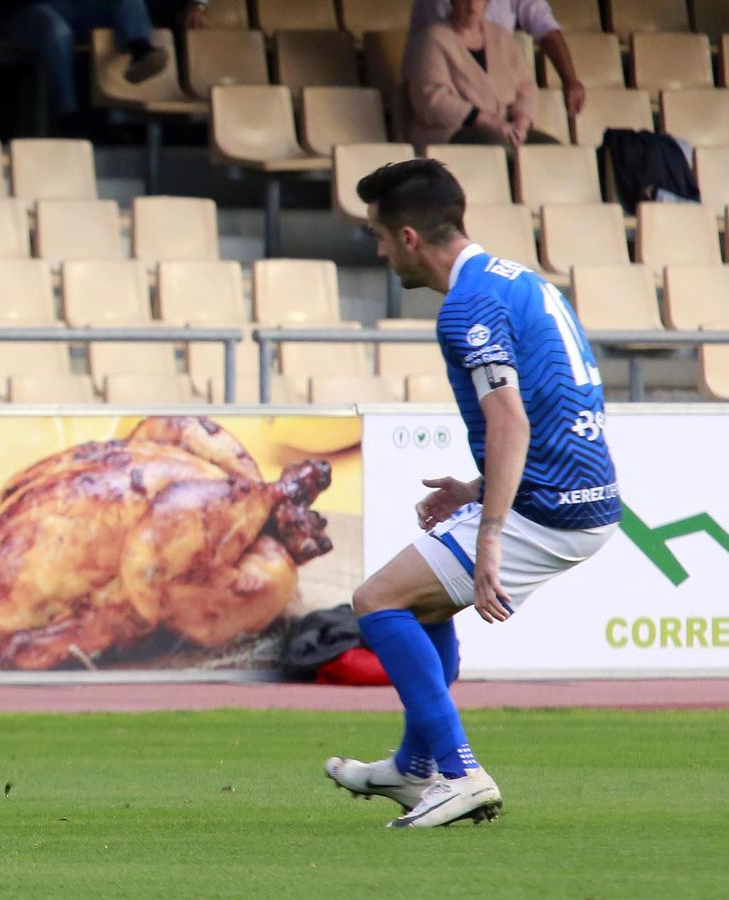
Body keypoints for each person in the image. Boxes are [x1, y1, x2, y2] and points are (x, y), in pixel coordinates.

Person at [326, 158, 620, 827]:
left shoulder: (466, 308)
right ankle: (414, 766)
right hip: (579, 494)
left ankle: (459, 772)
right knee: (422, 605)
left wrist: (490, 534)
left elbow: (510, 417)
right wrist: (477, 488)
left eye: (376, 233)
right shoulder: (518, 281)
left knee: (377, 600)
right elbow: (549, 409)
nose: (375, 249)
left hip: (546, 510)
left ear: (408, 237)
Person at [0, 0, 172, 133]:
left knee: (129, 2)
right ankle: (67, 118)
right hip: (27, 10)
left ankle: (140, 51)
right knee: (57, 32)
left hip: (76, 6)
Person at [403, 0, 559, 151]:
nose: (471, 4)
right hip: (454, 129)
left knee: (551, 150)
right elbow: (431, 100)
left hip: (508, 128)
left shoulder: (501, 36)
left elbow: (526, 87)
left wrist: (521, 122)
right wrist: (484, 119)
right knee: (500, 149)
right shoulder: (432, 39)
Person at [410, 0, 585, 115]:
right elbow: (426, 88)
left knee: (545, 151)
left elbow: (544, 27)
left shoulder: (501, 36)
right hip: (455, 112)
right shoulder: (433, 35)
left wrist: (570, 80)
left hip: (502, 110)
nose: (472, 4)